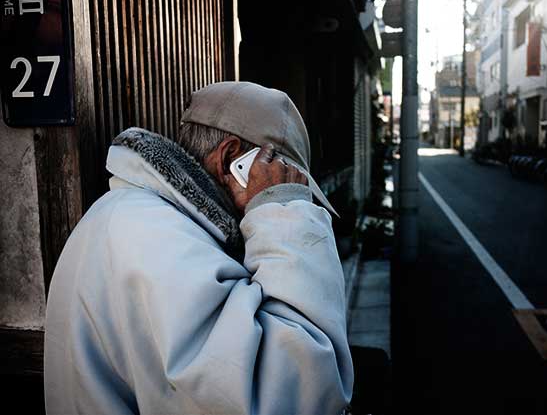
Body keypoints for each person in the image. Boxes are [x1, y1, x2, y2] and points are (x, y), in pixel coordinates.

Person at [44, 82, 353, 415]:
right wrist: (282, 211)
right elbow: (297, 392)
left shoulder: (147, 222)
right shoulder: (154, 237)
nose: (282, 188)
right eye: (281, 177)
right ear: (230, 160)